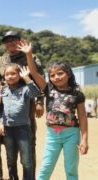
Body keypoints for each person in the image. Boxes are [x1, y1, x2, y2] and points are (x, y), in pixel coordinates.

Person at [0, 31, 45, 177]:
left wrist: (40, 101)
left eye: (14, 39)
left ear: (20, 41)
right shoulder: (2, 60)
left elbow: (39, 78)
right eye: (7, 41)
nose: (10, 42)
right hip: (5, 102)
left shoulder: (30, 57)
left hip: (27, 102)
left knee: (28, 149)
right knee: (10, 152)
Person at [20, 41, 89, 180]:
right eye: (52, 75)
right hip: (53, 135)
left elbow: (82, 117)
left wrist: (85, 140)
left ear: (68, 74)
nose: (56, 77)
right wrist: (29, 54)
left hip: (72, 134)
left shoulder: (77, 93)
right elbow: (33, 72)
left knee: (71, 169)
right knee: (46, 168)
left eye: (60, 73)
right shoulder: (48, 89)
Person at [0, 64, 40, 180]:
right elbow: (1, 109)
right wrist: (1, 123)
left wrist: (27, 78)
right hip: (8, 129)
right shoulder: (3, 91)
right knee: (11, 159)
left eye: (13, 74)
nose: (10, 76)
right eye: (7, 74)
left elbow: (35, 93)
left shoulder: (26, 89)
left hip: (23, 129)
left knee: (26, 160)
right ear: (4, 77)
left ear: (19, 75)